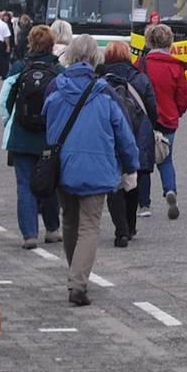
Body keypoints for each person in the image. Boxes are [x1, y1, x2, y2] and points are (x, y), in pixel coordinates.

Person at [42, 34, 138, 306]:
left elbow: (45, 124)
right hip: (97, 167)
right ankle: (78, 283)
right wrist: (131, 164)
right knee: (89, 225)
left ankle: (76, 275)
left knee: (70, 221)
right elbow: (123, 132)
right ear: (96, 57)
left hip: (63, 166)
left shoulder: (55, 88)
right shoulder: (104, 91)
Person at [0, 24, 62, 248]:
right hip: (49, 137)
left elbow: (4, 100)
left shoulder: (19, 67)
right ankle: (53, 229)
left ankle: (29, 234)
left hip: (21, 136)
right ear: (51, 45)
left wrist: (10, 123)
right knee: (50, 182)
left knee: (25, 185)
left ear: (30, 43)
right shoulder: (58, 70)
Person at [98, 40, 158, 247]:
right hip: (138, 135)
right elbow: (153, 110)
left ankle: (121, 230)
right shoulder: (141, 79)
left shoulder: (99, 81)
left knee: (114, 184)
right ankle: (131, 226)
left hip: (109, 137)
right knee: (133, 180)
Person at [140, 23, 187, 220]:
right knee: (166, 159)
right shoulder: (175, 67)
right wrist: (176, 112)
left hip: (145, 118)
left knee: (143, 161)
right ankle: (170, 190)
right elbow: (184, 96)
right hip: (168, 118)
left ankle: (144, 204)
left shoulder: (142, 64)